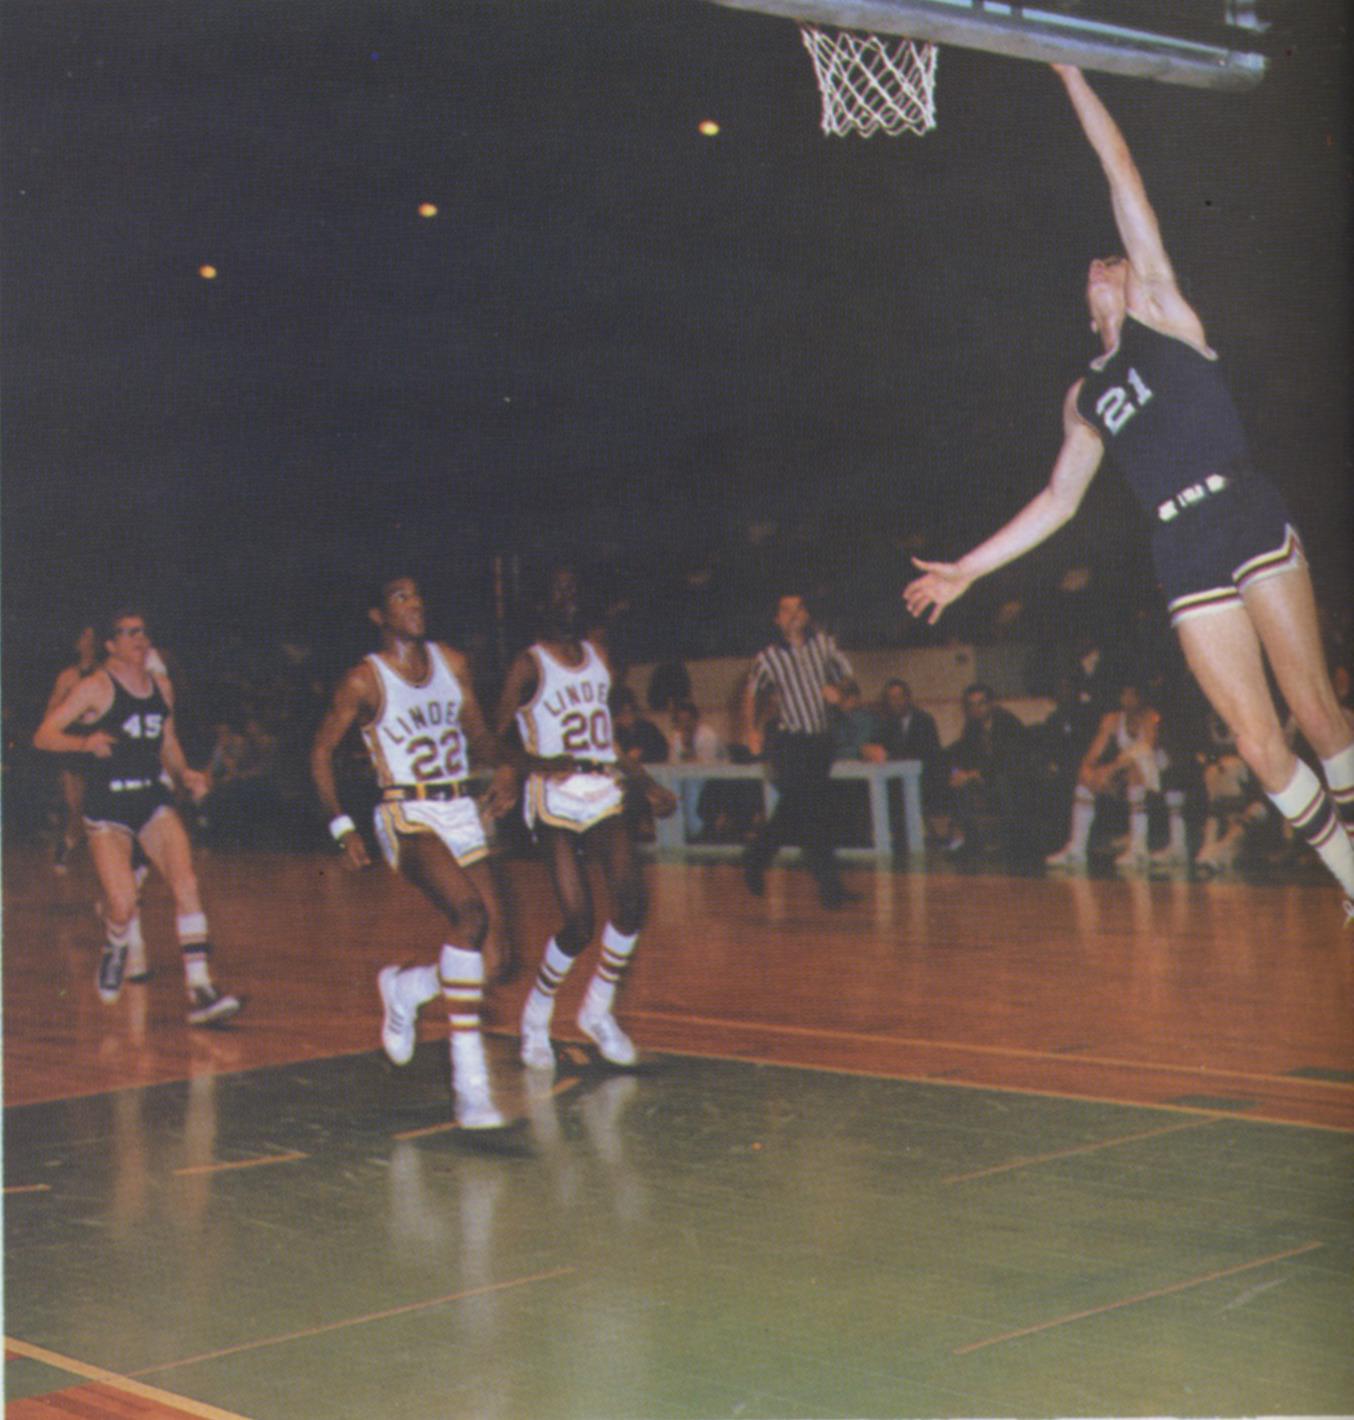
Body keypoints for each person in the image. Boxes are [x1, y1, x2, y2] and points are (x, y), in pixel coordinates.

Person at [904, 66, 1354, 914]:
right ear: (1088, 304)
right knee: (1259, 746)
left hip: (1243, 509)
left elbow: (1121, 170)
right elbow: (1059, 501)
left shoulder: (1168, 316)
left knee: (1317, 713)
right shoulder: (1085, 396)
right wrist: (969, 568)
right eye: (1098, 266)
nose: (1108, 261)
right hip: (1180, 545)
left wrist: (1068, 69)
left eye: (1117, 256)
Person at [310, 575, 519, 1130]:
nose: (416, 604)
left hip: (460, 810)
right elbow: (321, 753)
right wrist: (340, 825)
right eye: (402, 597)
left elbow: (480, 736)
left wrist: (505, 767)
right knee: (469, 916)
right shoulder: (364, 680)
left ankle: (406, 988)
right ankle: (471, 1089)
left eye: (419, 595)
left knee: (496, 962)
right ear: (379, 615)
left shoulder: (452, 663)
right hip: (406, 814)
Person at [496, 564, 676, 1075]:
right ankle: (536, 1017)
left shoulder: (599, 659)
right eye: (559, 593)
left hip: (601, 789)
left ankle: (596, 1010)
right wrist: (533, 766)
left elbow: (608, 741)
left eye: (575, 592)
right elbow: (496, 735)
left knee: (633, 900)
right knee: (577, 922)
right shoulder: (528, 665)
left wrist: (645, 783)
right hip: (553, 796)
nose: (569, 601)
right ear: (543, 605)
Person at [33, 608, 244, 1023]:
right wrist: (84, 742)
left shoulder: (162, 687)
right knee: (123, 904)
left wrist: (185, 774)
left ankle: (201, 987)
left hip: (152, 800)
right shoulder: (95, 687)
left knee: (186, 881)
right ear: (111, 645)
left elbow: (168, 742)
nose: (140, 639)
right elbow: (44, 735)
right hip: (108, 808)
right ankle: (115, 942)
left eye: (144, 632)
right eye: (130, 633)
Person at [739, 591, 856, 907]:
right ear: (777, 620)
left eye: (799, 608)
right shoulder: (768, 657)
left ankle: (756, 857)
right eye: (786, 610)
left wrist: (839, 691)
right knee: (811, 811)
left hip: (821, 740)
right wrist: (750, 729)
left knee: (797, 810)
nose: (793, 614)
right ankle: (829, 888)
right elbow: (751, 693)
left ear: (806, 615)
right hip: (792, 742)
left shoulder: (824, 645)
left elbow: (848, 676)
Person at [1046, 681, 1185, 869]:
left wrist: (1110, 770)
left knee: (1136, 766)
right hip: (1126, 771)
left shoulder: (1151, 717)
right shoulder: (1112, 720)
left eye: (1132, 695)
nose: (1126, 700)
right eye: (1123, 695)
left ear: (1141, 697)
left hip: (1163, 773)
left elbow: (1146, 750)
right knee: (1085, 781)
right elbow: (1094, 753)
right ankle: (1076, 849)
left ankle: (1138, 849)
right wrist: (1089, 771)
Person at [942, 683, 1029, 861]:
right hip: (985, 777)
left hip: (1013, 777)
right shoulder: (972, 727)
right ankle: (971, 841)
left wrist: (974, 774)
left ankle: (1011, 843)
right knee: (959, 784)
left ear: (991, 704)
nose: (976, 709)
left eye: (981, 703)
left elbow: (1005, 759)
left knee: (1002, 781)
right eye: (971, 705)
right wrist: (957, 772)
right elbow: (962, 753)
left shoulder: (1007, 722)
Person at [44, 623, 100, 871]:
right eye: (84, 636)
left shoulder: (105, 673)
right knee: (75, 805)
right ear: (78, 643)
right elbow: (51, 713)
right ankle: (66, 845)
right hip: (73, 747)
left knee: (96, 805)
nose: (89, 641)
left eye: (92, 636)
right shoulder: (67, 676)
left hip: (98, 746)